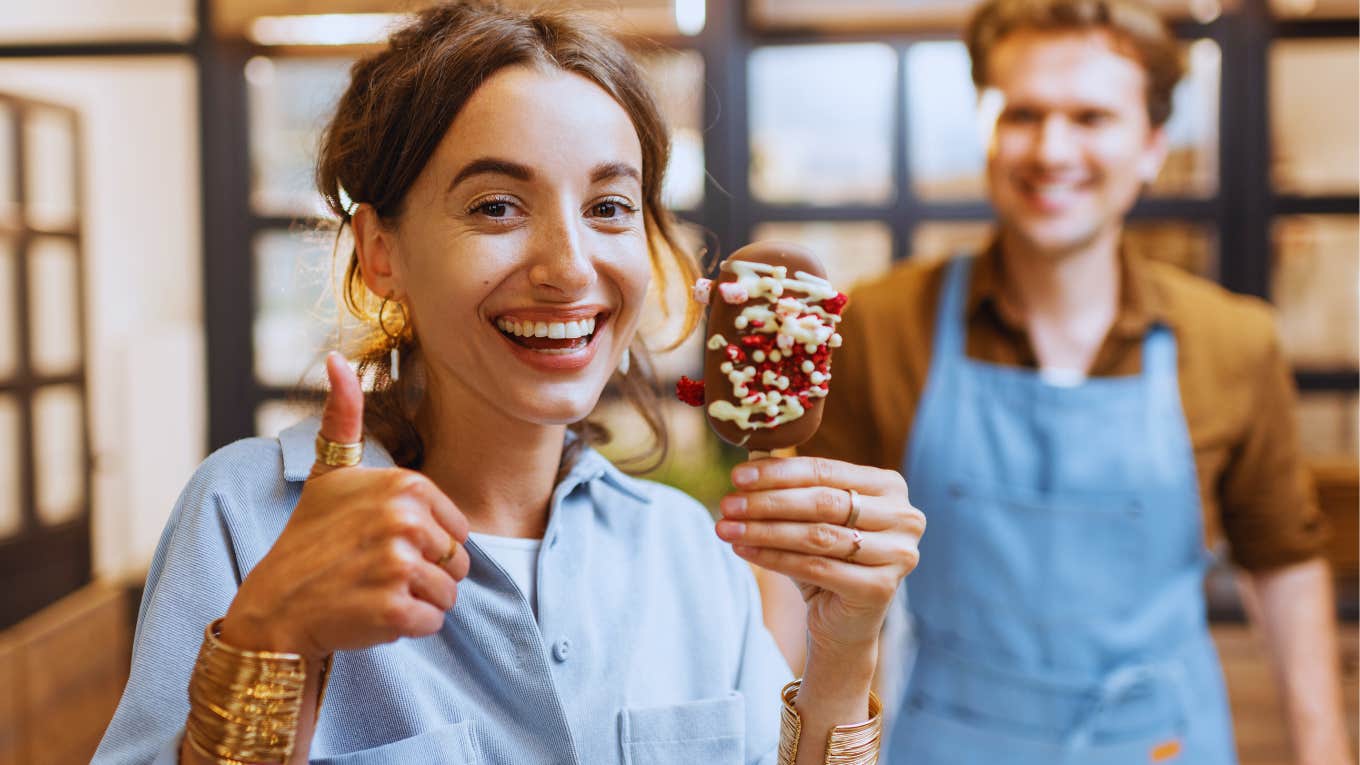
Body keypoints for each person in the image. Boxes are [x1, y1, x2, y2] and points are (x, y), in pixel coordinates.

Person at [92, 3, 926, 764]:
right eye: (496, 206)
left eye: (609, 207)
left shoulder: (686, 547)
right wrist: (270, 636)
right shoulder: (246, 517)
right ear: (381, 250)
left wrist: (844, 650)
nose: (569, 268)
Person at [796, 1, 1354, 763]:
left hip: (1163, 741)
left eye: (1091, 118)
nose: (1052, 149)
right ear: (985, 126)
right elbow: (808, 564)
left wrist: (1323, 751)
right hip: (948, 740)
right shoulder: (881, 325)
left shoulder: (1233, 342)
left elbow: (1282, 561)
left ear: (1152, 145)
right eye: (1023, 114)